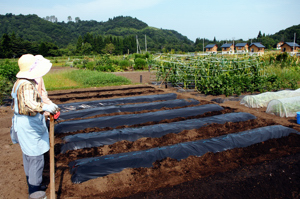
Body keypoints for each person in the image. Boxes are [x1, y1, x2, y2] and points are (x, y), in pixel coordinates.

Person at [10, 54, 59, 199]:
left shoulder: (19, 82)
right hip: (29, 125)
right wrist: (46, 107)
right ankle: (35, 192)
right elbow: (31, 104)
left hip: (23, 123)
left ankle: (33, 184)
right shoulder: (26, 84)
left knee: (28, 155)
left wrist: (46, 106)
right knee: (36, 158)